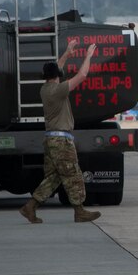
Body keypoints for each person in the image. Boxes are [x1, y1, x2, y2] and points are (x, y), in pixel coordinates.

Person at [19, 44, 102, 224]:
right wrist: (88, 55)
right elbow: (82, 76)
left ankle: (30, 207)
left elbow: (57, 69)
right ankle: (79, 211)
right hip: (61, 142)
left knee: (54, 177)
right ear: (57, 76)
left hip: (50, 140)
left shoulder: (45, 90)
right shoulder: (58, 90)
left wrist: (66, 54)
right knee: (73, 174)